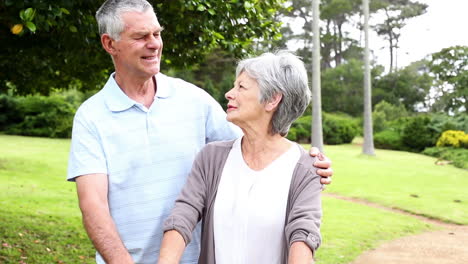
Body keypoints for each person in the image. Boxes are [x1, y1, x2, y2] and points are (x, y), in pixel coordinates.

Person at [67, 1, 332, 264]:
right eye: (140, 36)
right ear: (109, 43)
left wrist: (307, 163)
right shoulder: (92, 118)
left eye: (157, 34)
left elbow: (256, 141)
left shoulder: (194, 99)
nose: (154, 44)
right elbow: (93, 206)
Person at [157, 51, 321, 264]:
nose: (229, 93)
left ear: (272, 99)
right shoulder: (212, 157)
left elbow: (303, 233)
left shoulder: (305, 168)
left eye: (241, 87)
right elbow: (183, 215)